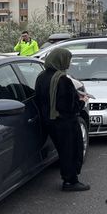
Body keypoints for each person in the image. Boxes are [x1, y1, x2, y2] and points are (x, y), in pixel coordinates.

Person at [35, 48, 88, 191]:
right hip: (64, 122)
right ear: (61, 60)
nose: (69, 63)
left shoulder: (41, 77)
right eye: (67, 60)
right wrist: (82, 100)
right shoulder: (62, 80)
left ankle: (69, 179)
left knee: (63, 151)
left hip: (49, 121)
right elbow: (68, 107)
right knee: (70, 151)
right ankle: (70, 181)